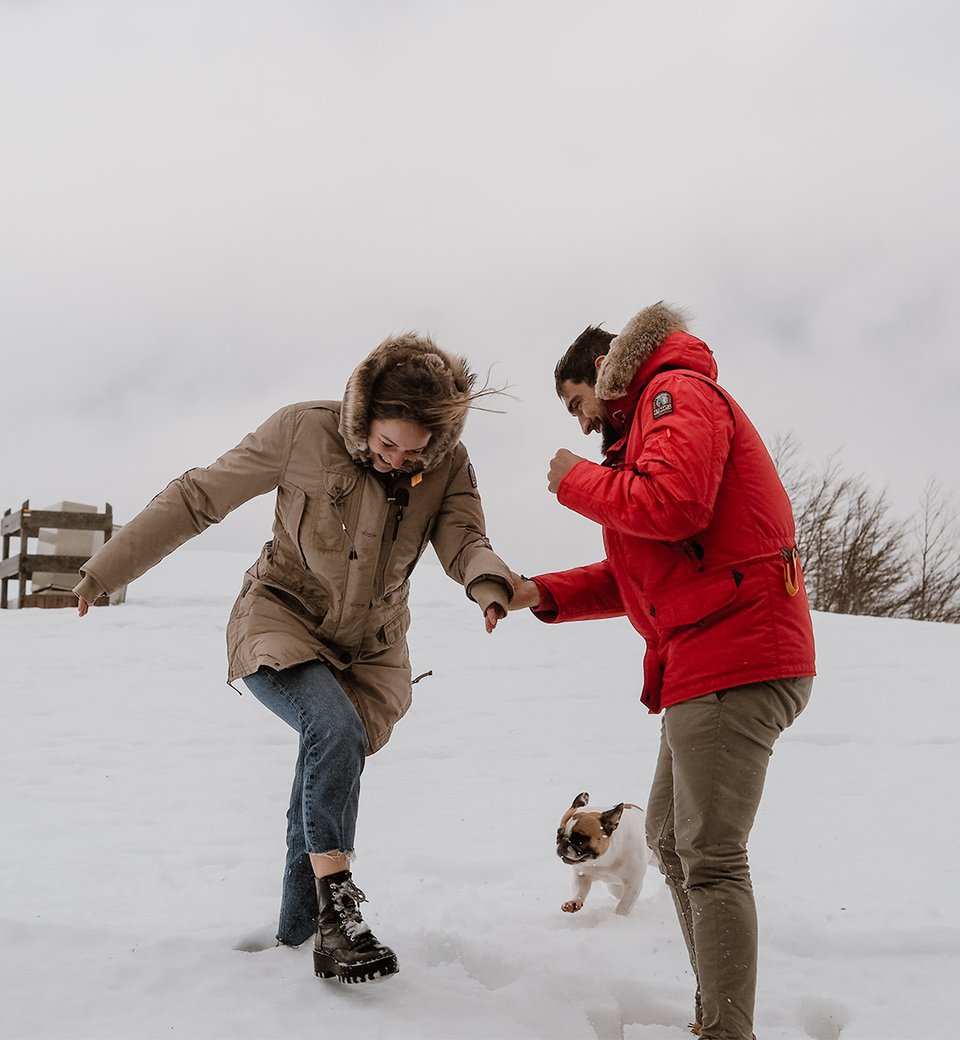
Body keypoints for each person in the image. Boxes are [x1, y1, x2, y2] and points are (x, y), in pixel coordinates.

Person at [74, 332, 514, 985]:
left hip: (371, 646)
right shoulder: (302, 432)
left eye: (412, 452)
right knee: (331, 731)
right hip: (281, 616)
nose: (394, 461)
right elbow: (200, 496)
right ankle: (339, 912)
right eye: (384, 444)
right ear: (362, 416)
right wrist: (105, 571)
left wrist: (489, 584)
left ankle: (297, 941)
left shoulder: (448, 466)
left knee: (331, 756)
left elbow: (464, 539)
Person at [508, 301, 816, 1040]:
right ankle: (716, 1020)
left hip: (737, 656)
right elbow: (635, 577)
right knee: (675, 846)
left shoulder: (676, 394)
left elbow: (674, 506)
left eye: (578, 403)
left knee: (708, 856)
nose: (580, 424)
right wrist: (536, 593)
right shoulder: (644, 432)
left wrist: (574, 481)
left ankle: (724, 1032)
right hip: (704, 663)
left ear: (603, 375)